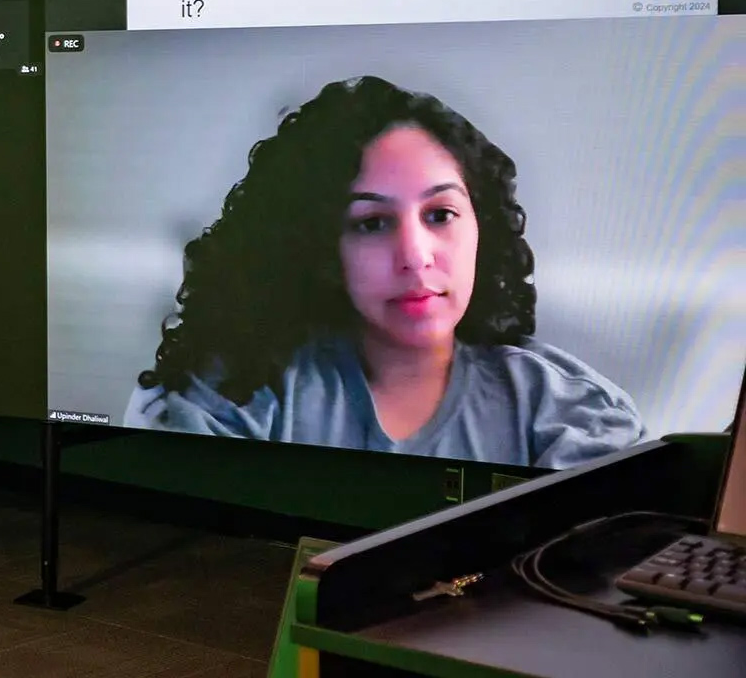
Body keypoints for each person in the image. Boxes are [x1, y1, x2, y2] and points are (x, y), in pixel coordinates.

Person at [124, 76, 645, 469]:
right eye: (372, 223)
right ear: (320, 248)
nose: (415, 255)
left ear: (481, 226)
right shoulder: (230, 395)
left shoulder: (570, 411)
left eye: (440, 215)